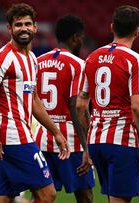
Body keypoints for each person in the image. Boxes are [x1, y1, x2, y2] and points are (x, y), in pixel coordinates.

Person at [0, 3, 70, 203]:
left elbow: (33, 100)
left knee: (3, 198)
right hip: (11, 135)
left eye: (28, 24)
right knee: (47, 193)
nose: (23, 28)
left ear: (35, 27)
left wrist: (56, 132)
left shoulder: (32, 58)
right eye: (18, 25)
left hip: (13, 134)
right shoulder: (3, 58)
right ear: (9, 28)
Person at [77, 5, 139, 203]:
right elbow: (138, 106)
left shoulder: (91, 58)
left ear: (112, 27)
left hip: (96, 141)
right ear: (137, 31)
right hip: (121, 142)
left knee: (111, 197)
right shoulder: (135, 59)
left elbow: (80, 105)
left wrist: (87, 144)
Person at [33, 15, 94, 203]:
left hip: (41, 138)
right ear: (75, 37)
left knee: (42, 197)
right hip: (71, 142)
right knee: (84, 196)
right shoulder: (79, 65)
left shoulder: (37, 61)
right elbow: (77, 106)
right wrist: (86, 147)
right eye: (81, 37)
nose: (82, 41)